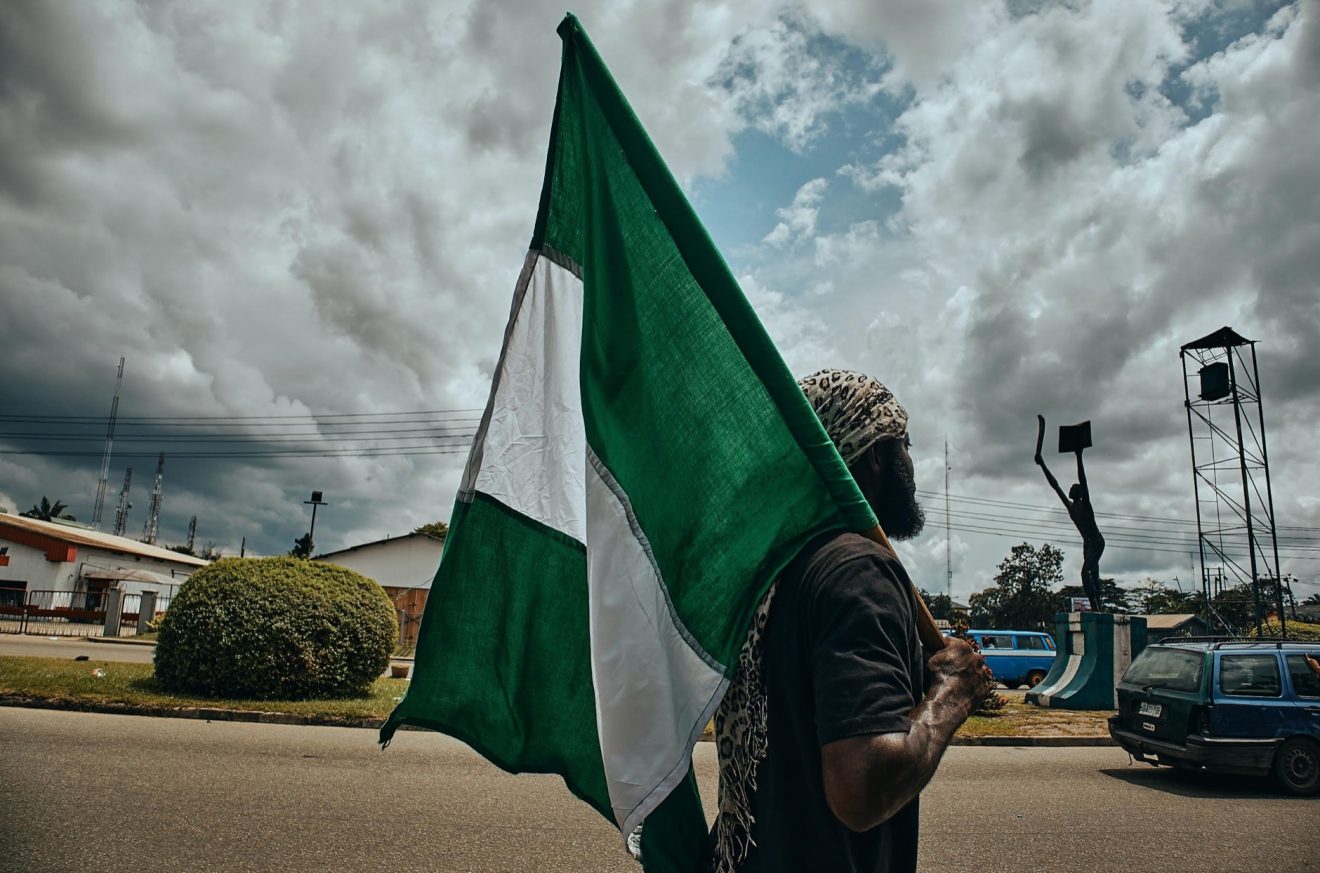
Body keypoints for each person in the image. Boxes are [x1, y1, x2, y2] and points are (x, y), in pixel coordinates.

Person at [710, 369, 992, 873]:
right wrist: (952, 694)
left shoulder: (770, 570)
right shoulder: (858, 570)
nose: (911, 462)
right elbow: (861, 787)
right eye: (904, 443)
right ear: (877, 453)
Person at [1034, 418, 1105, 612]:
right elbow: (1055, 485)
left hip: (1097, 542)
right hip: (1087, 544)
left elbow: (1083, 478)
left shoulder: (1086, 505)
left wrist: (1078, 456)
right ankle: (1098, 604)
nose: (1071, 488)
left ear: (1080, 492)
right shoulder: (1071, 507)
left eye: (1074, 487)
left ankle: (1095, 606)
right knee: (1093, 575)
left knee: (1086, 573)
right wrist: (1043, 465)